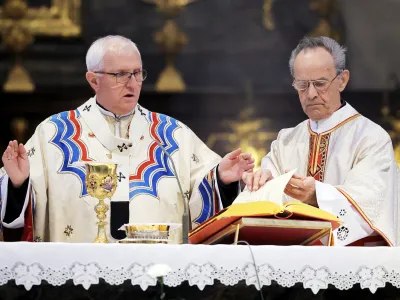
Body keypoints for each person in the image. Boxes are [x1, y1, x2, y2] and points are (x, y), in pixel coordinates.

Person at [0, 35, 254, 243]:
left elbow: (204, 203)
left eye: (137, 73)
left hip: (158, 274)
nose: (132, 83)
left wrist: (220, 179)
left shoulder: (171, 134)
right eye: (120, 74)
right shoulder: (54, 134)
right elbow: (19, 215)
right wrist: (18, 185)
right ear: (93, 80)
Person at [243, 36, 399, 246]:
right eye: (302, 85)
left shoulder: (371, 138)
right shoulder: (285, 142)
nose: (311, 94)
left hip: (350, 264)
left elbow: (373, 205)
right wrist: (261, 184)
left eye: (320, 83)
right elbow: (260, 209)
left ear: (342, 80)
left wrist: (317, 195)